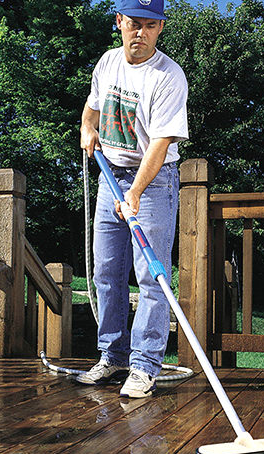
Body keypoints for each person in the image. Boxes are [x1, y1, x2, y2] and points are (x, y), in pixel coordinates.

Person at [78, 0, 188, 398]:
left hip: (154, 181)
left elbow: (160, 144)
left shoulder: (169, 77)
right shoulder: (107, 63)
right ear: (119, 22)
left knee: (151, 276)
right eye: (133, 24)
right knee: (105, 272)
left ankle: (144, 367)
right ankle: (113, 356)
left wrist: (136, 193)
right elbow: (90, 112)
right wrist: (88, 130)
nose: (140, 32)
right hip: (111, 177)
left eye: (150, 25)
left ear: (159, 28)